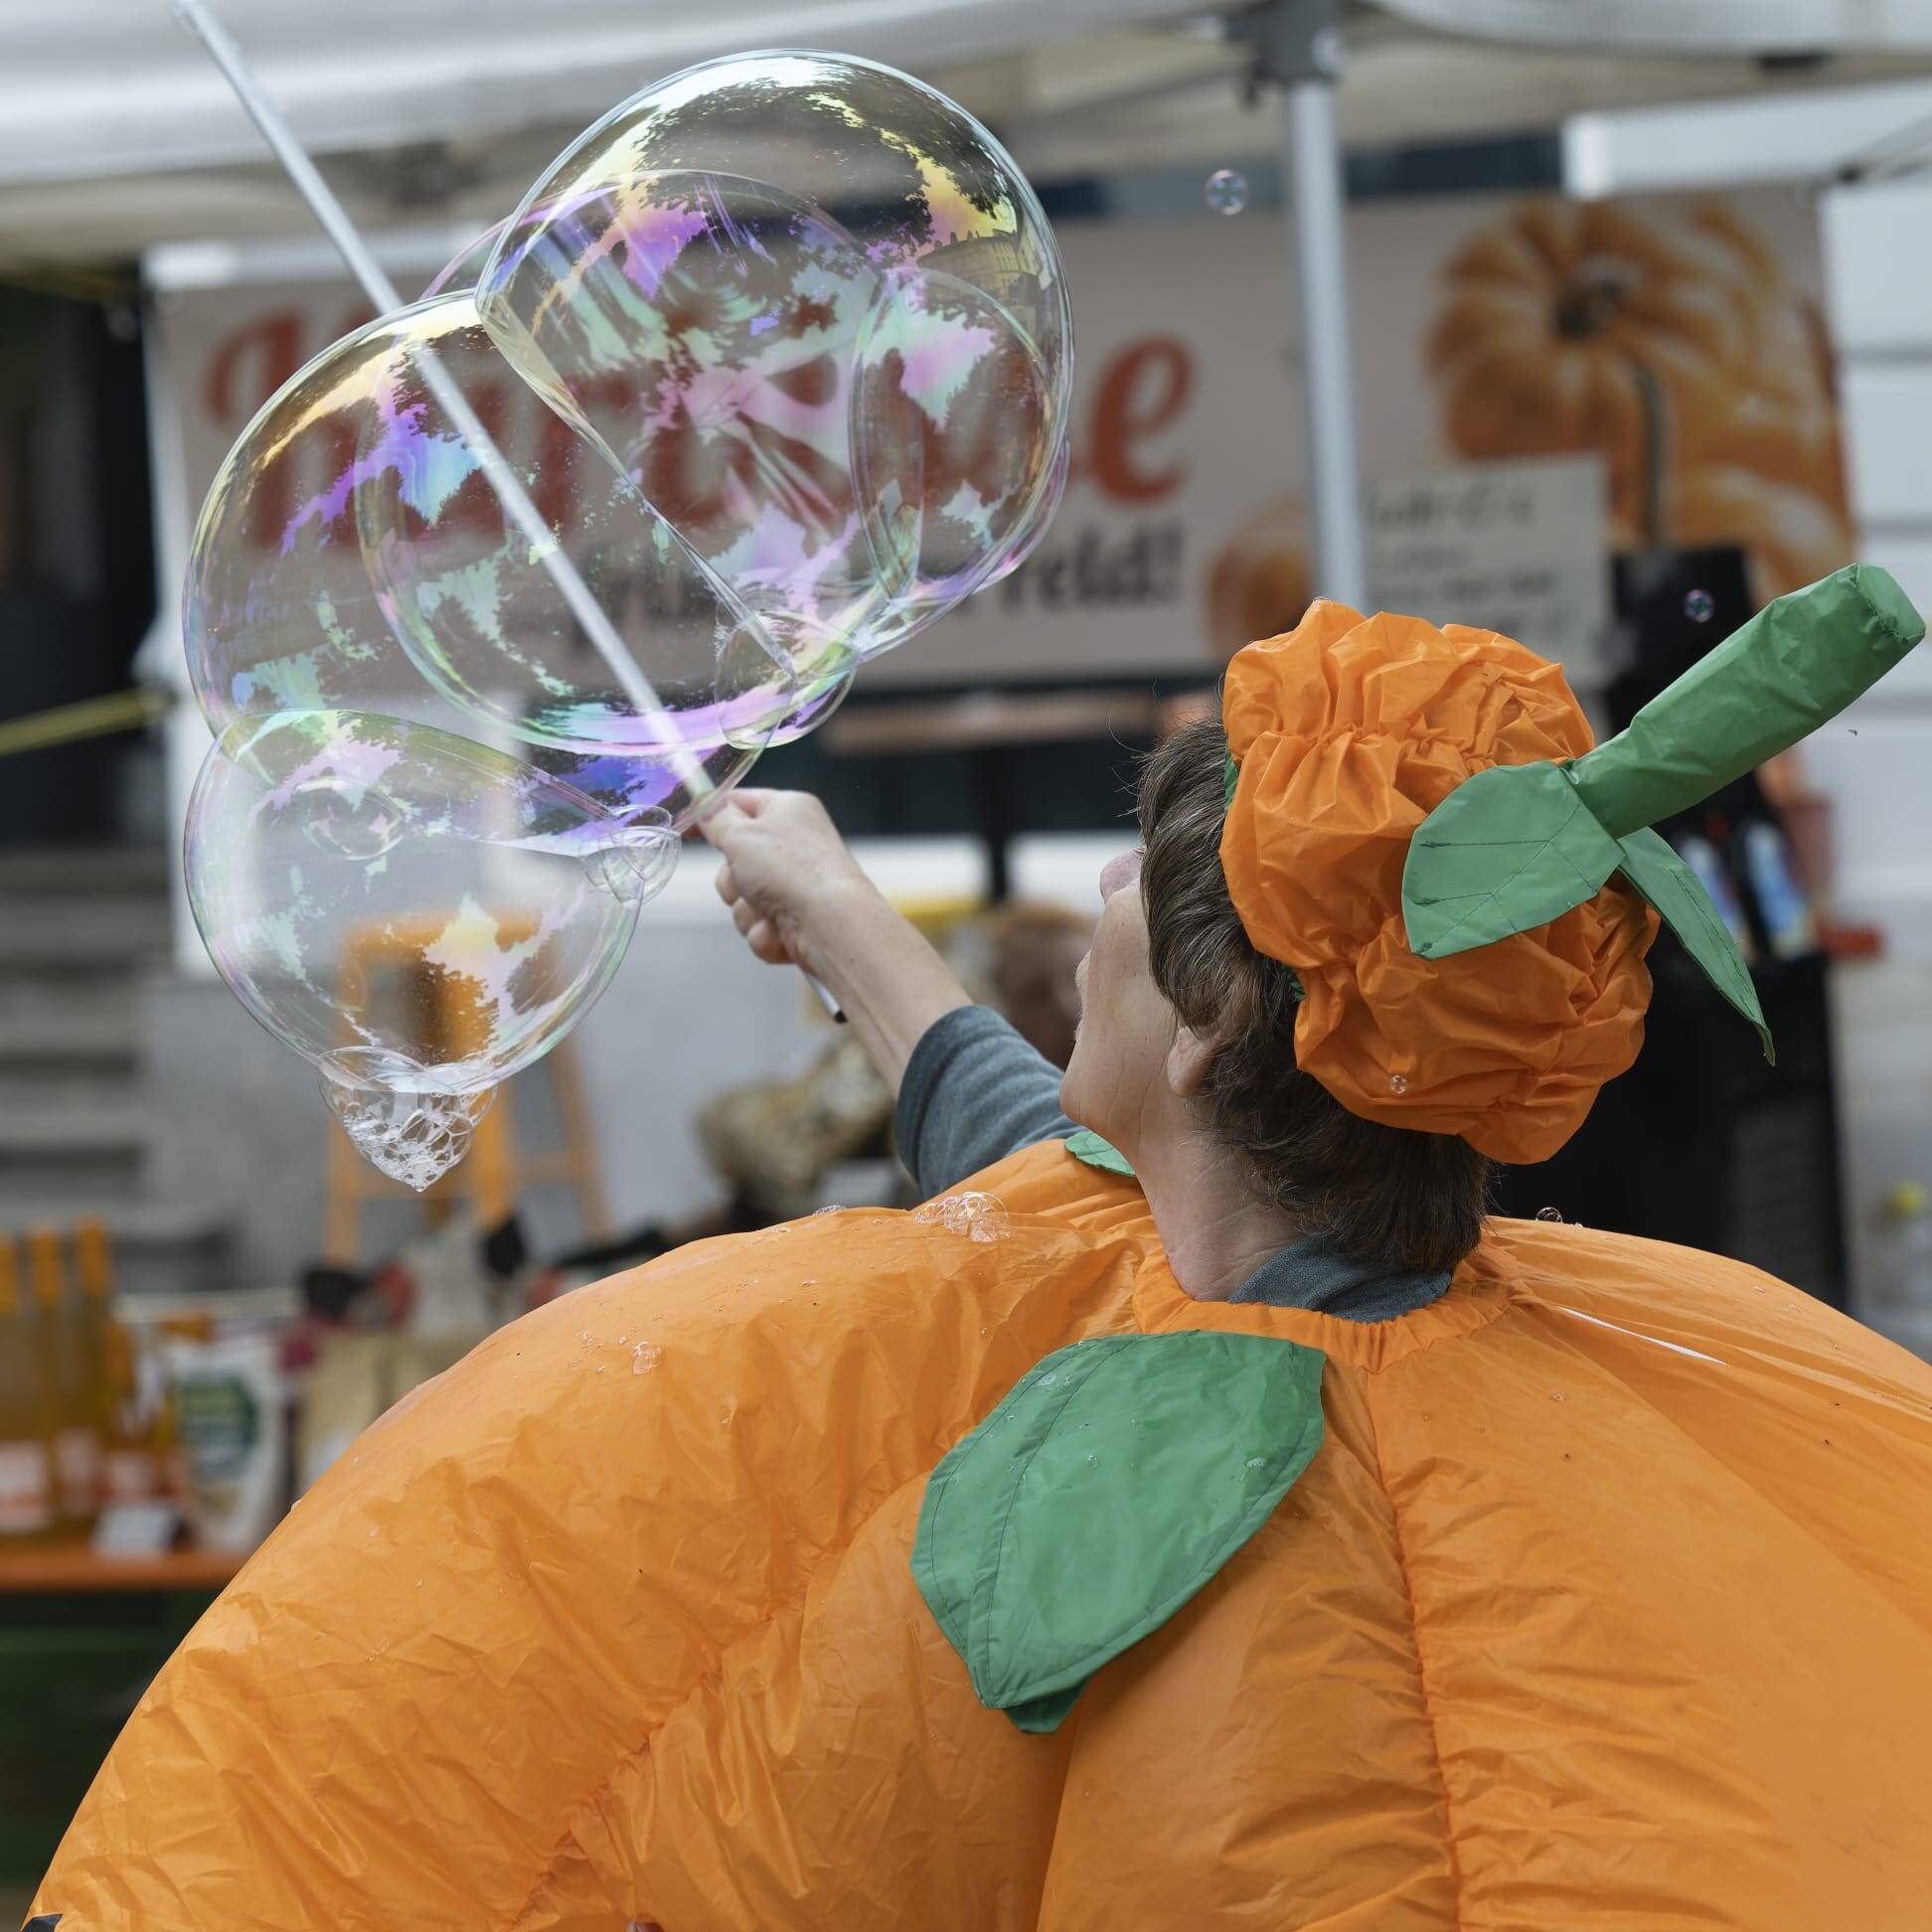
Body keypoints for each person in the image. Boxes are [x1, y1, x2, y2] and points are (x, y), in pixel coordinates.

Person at [33, 568, 1932, 1930]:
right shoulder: (1391, 1281)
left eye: (1129, 873)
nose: (1093, 890)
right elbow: (1043, 1158)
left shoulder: (1304, 1624)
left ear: (1201, 1032)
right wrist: (838, 904)